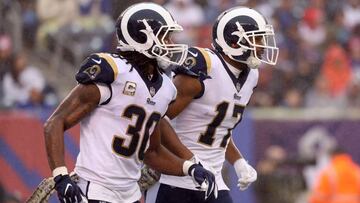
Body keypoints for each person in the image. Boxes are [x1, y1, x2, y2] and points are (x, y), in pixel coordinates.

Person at [44, 3, 216, 203]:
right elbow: (55, 123)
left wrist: (189, 168)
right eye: (164, 36)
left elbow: (152, 152)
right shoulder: (114, 72)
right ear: (142, 38)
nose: (170, 43)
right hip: (95, 191)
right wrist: (61, 176)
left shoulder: (166, 88)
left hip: (130, 195)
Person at [145, 6, 279, 203]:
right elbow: (157, 120)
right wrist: (190, 162)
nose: (262, 45)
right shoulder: (205, 66)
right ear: (234, 41)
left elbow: (218, 128)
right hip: (175, 178)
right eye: (256, 38)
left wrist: (239, 162)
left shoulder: (251, 76)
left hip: (212, 179)